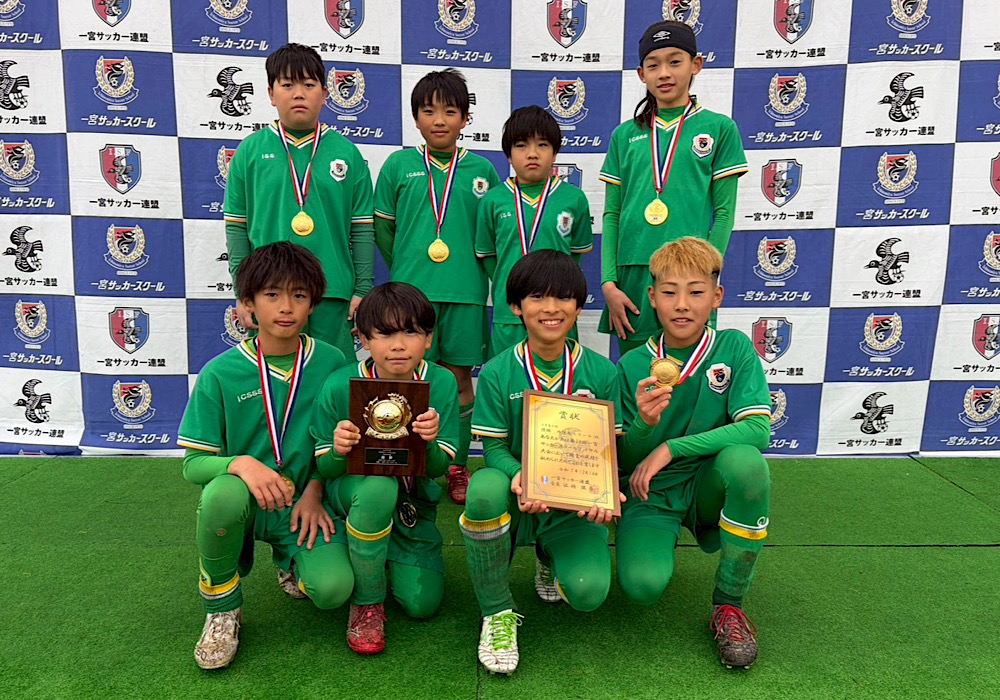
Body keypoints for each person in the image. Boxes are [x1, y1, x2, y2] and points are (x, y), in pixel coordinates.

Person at [178, 242, 352, 670]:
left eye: (299, 295)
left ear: (313, 304)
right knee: (221, 495)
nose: (286, 307)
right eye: (272, 294)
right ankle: (222, 608)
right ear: (248, 304)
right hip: (246, 502)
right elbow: (193, 464)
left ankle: (292, 561)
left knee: (333, 591)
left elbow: (340, 444)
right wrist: (239, 463)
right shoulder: (220, 372)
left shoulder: (332, 362)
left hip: (304, 505)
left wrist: (315, 490)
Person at [460, 250, 623, 674]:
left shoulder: (602, 372)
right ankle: (496, 611)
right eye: (537, 297)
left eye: (563, 297)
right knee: (484, 488)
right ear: (516, 306)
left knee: (587, 593)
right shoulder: (497, 372)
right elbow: (493, 450)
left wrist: (604, 491)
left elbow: (608, 452)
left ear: (579, 305)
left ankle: (549, 557)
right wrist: (520, 474)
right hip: (518, 495)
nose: (551, 308)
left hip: (571, 503)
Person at [615, 237, 771, 669]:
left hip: (707, 483)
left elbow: (757, 429)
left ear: (716, 296)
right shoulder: (632, 365)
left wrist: (671, 446)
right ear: (652, 297)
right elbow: (625, 463)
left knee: (747, 465)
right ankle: (653, 539)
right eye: (669, 292)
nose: (682, 304)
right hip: (652, 492)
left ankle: (729, 605)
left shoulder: (733, 347)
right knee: (642, 586)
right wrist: (645, 427)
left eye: (696, 292)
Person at [373, 68, 501, 505]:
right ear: (415, 118)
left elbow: (493, 234)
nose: (440, 120)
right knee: (409, 379)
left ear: (465, 118)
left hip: (465, 293)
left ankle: (456, 466)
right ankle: (408, 465)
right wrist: (406, 267)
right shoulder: (398, 166)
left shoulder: (483, 170)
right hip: (411, 297)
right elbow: (384, 231)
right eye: (429, 111)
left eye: (450, 111)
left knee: (459, 380)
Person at [310, 282, 459, 655]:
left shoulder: (440, 382)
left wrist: (429, 443)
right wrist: (340, 449)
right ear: (363, 338)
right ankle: (367, 600)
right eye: (385, 334)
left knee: (422, 605)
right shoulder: (340, 384)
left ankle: (379, 551)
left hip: (412, 502)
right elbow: (325, 467)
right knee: (379, 488)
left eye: (411, 332)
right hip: (353, 494)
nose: (398, 345)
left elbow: (438, 467)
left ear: (428, 339)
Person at [599, 21, 747, 356]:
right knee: (637, 372)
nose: (664, 73)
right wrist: (609, 282)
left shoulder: (719, 128)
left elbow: (724, 214)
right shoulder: (624, 135)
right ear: (642, 74)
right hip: (633, 274)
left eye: (675, 61)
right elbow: (612, 214)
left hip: (689, 278)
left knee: (691, 372)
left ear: (696, 65)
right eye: (653, 65)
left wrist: (704, 279)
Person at [223, 42, 374, 360]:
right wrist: (243, 291)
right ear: (271, 93)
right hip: (269, 292)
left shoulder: (347, 153)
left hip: (332, 291)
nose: (299, 94)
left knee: (332, 378)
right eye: (287, 85)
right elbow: (237, 228)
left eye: (308, 84)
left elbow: (361, 229)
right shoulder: (249, 152)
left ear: (325, 94)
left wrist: (362, 289)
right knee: (274, 379)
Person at [475, 105, 593, 356]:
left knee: (560, 377)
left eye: (542, 145)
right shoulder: (493, 200)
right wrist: (514, 285)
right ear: (508, 155)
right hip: (510, 313)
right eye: (521, 145)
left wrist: (558, 288)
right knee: (507, 375)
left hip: (557, 314)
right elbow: (488, 257)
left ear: (555, 152)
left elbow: (574, 257)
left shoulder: (574, 198)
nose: (532, 154)